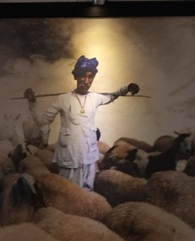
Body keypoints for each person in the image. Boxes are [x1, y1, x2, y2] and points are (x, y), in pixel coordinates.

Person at [23, 56, 132, 191]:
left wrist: (127, 88)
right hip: (69, 157)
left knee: (88, 196)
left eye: (90, 77)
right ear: (76, 77)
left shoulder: (95, 98)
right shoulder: (62, 99)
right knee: (68, 194)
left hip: (88, 157)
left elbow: (113, 96)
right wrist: (32, 103)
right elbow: (42, 122)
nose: (86, 81)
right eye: (83, 76)